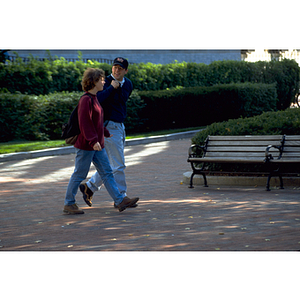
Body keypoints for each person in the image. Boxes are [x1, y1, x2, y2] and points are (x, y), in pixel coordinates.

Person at [63, 68, 139, 214]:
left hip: (98, 145)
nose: (104, 81)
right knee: (79, 174)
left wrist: (105, 132)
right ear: (94, 81)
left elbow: (97, 121)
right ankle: (69, 203)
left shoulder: (95, 98)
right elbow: (85, 122)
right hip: (87, 146)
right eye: (102, 79)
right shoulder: (85, 100)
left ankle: (120, 200)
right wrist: (93, 140)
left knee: (107, 172)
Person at [79, 57, 137, 208]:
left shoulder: (128, 84)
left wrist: (118, 88)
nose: (116, 70)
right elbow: (97, 99)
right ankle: (122, 197)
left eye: (120, 68)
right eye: (114, 67)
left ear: (125, 70)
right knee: (118, 164)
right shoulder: (104, 82)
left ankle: (90, 187)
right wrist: (112, 88)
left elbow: (122, 100)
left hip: (120, 126)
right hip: (108, 126)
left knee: (111, 164)